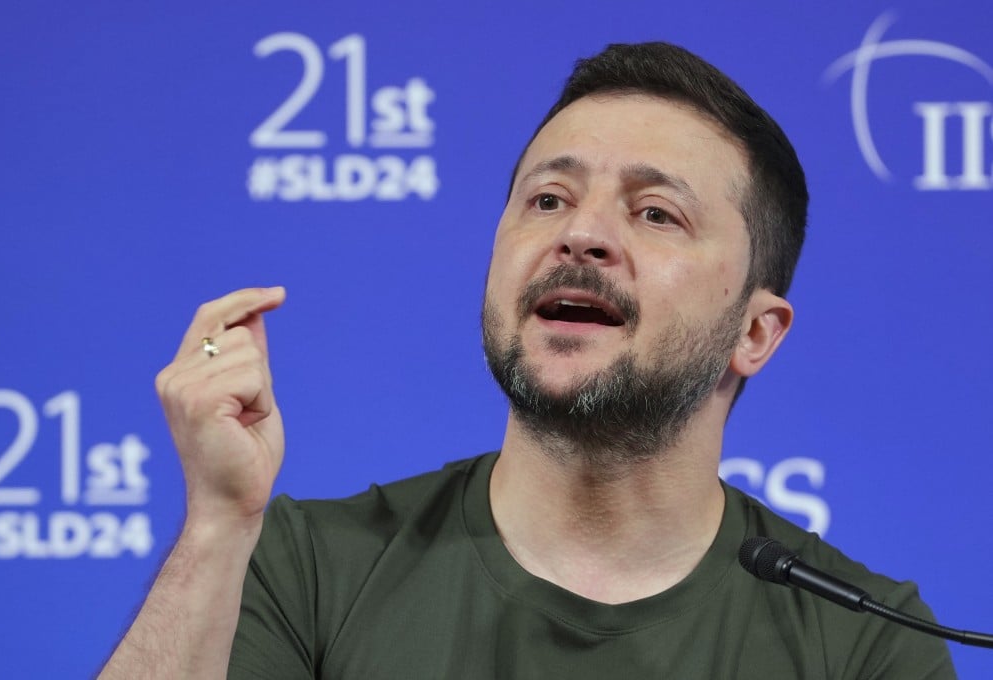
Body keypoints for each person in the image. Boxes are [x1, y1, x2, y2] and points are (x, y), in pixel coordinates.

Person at [100, 42, 956, 678]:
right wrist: (216, 526)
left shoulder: (865, 644)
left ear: (756, 332)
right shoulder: (306, 568)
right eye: (548, 198)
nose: (580, 233)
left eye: (656, 214)